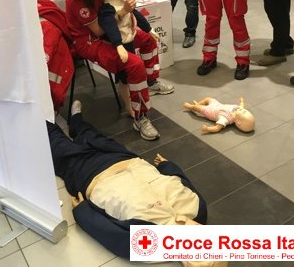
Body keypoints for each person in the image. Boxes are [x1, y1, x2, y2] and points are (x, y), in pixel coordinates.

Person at [46, 100, 207, 260]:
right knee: (94, 137)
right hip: (128, 161)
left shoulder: (150, 244)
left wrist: (83, 212)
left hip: (94, 176)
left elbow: (109, 233)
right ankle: (77, 123)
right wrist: (167, 166)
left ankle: (43, 118)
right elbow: (182, 181)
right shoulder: (197, 209)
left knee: (58, 146)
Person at [65, 0, 165, 141]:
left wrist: (125, 4)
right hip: (90, 41)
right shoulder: (78, 1)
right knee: (134, 65)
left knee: (148, 41)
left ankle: (152, 82)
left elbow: (118, 10)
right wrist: (124, 11)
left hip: (115, 31)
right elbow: (100, 30)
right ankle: (140, 116)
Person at [98, 0, 174, 115]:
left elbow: (136, 15)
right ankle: (129, 106)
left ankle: (151, 81)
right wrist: (118, 45)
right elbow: (110, 26)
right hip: (120, 45)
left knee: (145, 49)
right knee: (124, 78)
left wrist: (149, 29)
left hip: (129, 41)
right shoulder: (107, 7)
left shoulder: (124, 2)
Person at [184, 97, 255, 134]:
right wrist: (242, 101)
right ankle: (198, 104)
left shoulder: (226, 119)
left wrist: (208, 129)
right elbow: (242, 106)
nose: (243, 109)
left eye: (243, 112)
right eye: (245, 111)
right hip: (217, 104)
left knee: (197, 108)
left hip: (210, 111)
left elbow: (217, 128)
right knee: (208, 99)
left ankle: (191, 107)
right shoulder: (239, 109)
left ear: (238, 122)